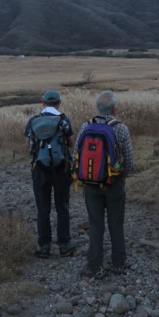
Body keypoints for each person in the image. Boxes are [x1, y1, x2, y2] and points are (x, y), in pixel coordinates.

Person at [76, 90, 134, 279]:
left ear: (97, 108)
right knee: (116, 223)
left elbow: (76, 153)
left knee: (95, 224)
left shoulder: (86, 126)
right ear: (115, 109)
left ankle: (94, 266)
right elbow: (129, 160)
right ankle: (118, 262)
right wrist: (123, 174)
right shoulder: (121, 128)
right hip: (114, 182)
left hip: (91, 184)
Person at [25, 89, 76, 258]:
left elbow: (31, 148)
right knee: (62, 207)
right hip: (62, 169)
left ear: (43, 102)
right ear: (59, 103)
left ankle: (44, 246)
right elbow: (69, 143)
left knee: (43, 209)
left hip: (40, 169)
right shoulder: (63, 120)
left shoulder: (33, 121)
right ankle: (64, 245)